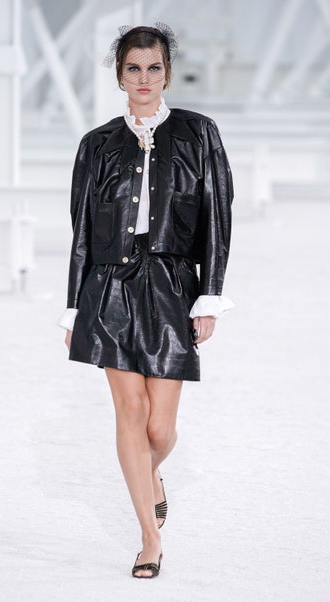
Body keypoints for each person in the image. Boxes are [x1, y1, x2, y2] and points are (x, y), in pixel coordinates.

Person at [58, 23, 234, 579]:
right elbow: (81, 231)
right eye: (133, 68)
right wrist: (74, 307)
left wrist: (209, 297)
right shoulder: (96, 145)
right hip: (109, 286)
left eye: (153, 67)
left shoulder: (198, 134)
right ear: (119, 76)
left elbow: (218, 216)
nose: (143, 78)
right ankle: (149, 539)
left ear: (168, 73)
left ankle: (150, 474)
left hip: (171, 284)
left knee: (159, 430)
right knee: (129, 412)